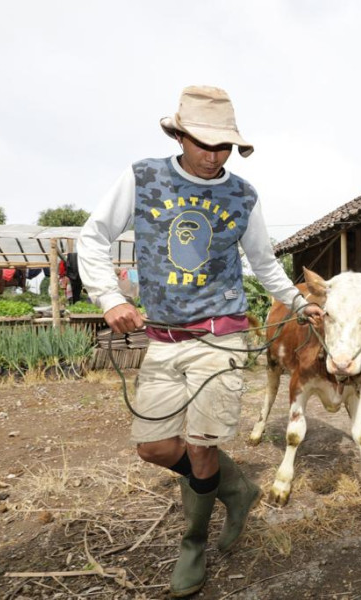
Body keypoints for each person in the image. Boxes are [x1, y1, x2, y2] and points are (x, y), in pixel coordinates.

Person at [77, 85, 322, 597]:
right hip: (163, 338)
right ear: (179, 135)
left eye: (224, 146)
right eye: (203, 143)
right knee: (153, 447)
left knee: (200, 445)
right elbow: (94, 237)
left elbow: (263, 262)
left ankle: (193, 543)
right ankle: (236, 489)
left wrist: (301, 304)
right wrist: (108, 297)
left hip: (222, 334)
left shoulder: (242, 195)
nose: (214, 156)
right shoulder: (144, 177)